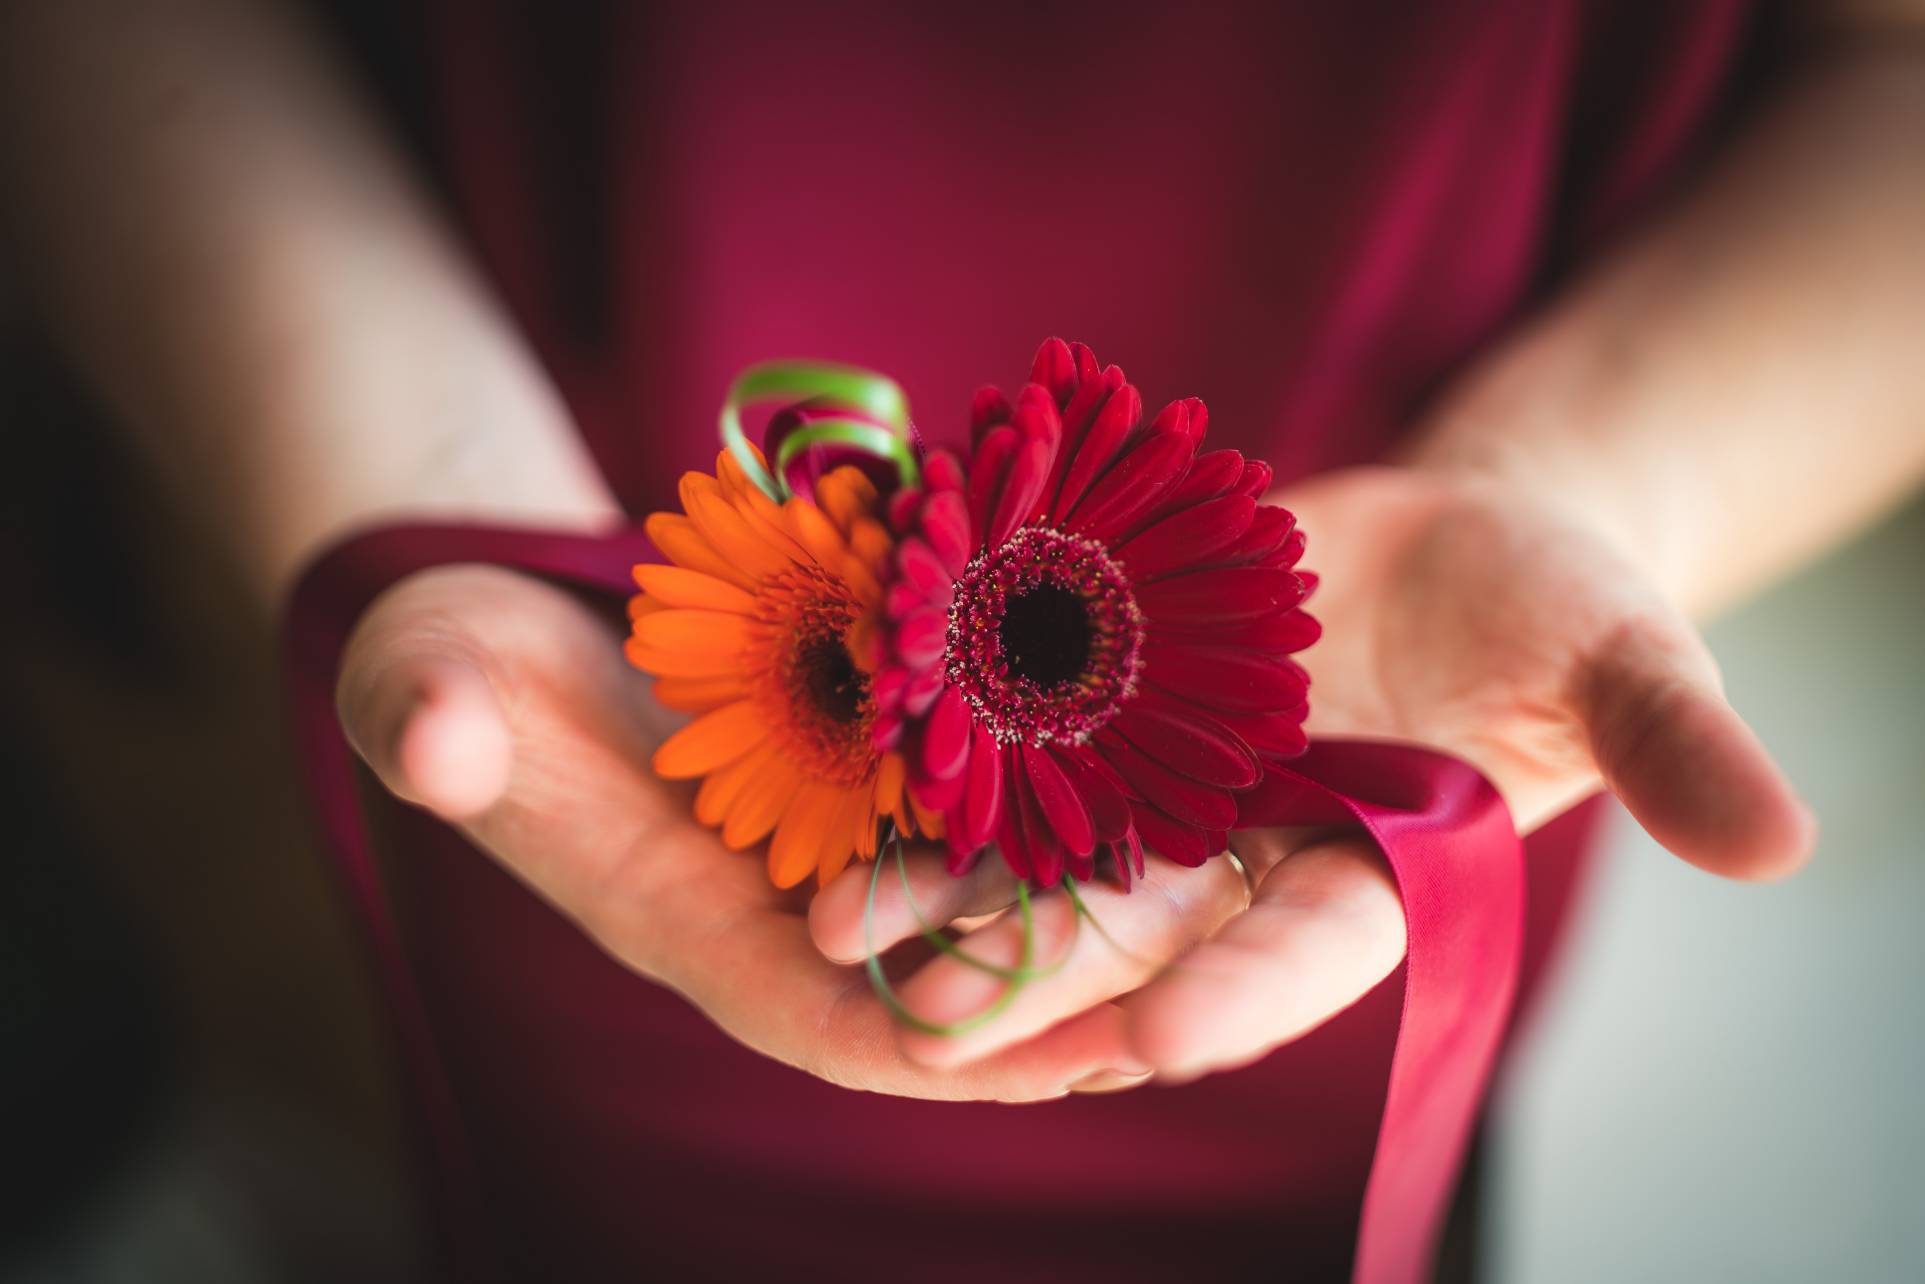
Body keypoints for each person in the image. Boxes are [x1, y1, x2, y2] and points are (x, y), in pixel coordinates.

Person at [5, 1, 1922, 1279]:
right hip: (616, 686)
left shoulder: (1145, 655)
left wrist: (1589, 478)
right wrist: (411, 472)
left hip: (1344, 727)